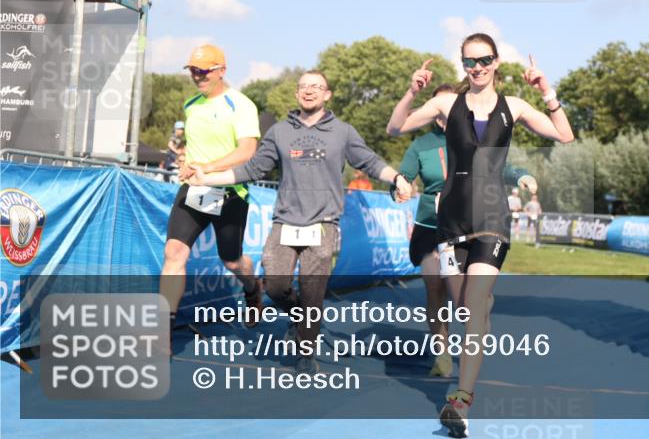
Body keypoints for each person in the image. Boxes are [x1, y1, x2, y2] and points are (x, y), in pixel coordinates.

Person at [387, 33, 573, 438]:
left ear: (496, 62)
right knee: (466, 308)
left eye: (484, 60)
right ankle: (479, 315)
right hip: (450, 221)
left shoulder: (515, 106)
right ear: (462, 64)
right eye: (469, 62)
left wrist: (547, 91)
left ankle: (461, 400)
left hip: (492, 219)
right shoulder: (445, 104)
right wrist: (410, 90)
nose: (477, 68)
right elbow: (394, 126)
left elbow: (564, 135)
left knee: (471, 306)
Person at [191, 69, 413, 374]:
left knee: (312, 289)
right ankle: (299, 319)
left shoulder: (343, 132)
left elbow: (370, 162)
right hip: (286, 221)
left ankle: (306, 350)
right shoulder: (280, 132)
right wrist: (208, 176)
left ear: (327, 94)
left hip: (323, 222)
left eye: (316, 86)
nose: (309, 91)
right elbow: (252, 169)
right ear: (297, 94)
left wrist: (398, 177)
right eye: (304, 86)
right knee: (276, 286)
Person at [395, 82, 537, 378]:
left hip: (470, 224)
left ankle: (480, 304)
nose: (441, 115)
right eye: (436, 109)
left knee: (463, 302)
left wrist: (522, 175)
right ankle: (442, 353)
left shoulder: (476, 137)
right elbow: (403, 174)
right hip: (431, 228)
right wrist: (400, 184)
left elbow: (502, 167)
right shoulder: (421, 145)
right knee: (434, 286)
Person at [159, 44, 261, 350]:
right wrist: (188, 162)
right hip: (195, 190)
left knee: (231, 261)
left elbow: (247, 151)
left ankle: (253, 286)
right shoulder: (192, 104)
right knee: (174, 252)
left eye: (203, 71)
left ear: (221, 71)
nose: (197, 76)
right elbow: (195, 146)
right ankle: (164, 330)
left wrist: (208, 167)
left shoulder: (241, 105)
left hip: (229, 192)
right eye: (192, 70)